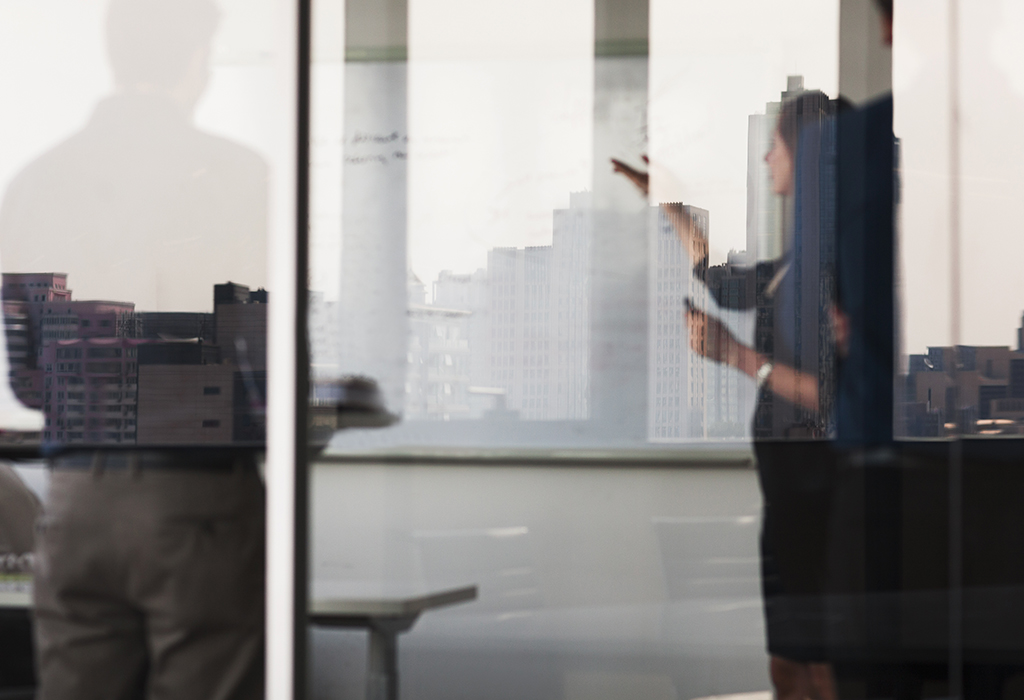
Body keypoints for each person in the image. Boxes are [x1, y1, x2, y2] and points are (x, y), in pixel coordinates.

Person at [0, 1, 268, 698]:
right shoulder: (237, 176)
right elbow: (259, 362)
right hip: (197, 497)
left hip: (77, 506)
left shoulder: (34, 182)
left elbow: (28, 380)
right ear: (195, 60)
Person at [613, 89, 839, 700]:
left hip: (819, 504)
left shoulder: (831, 268)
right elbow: (717, 278)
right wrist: (667, 198)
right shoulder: (795, 265)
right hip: (789, 499)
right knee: (789, 670)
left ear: (808, 155)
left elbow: (830, 399)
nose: (767, 158)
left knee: (818, 673)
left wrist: (735, 356)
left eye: (777, 145)